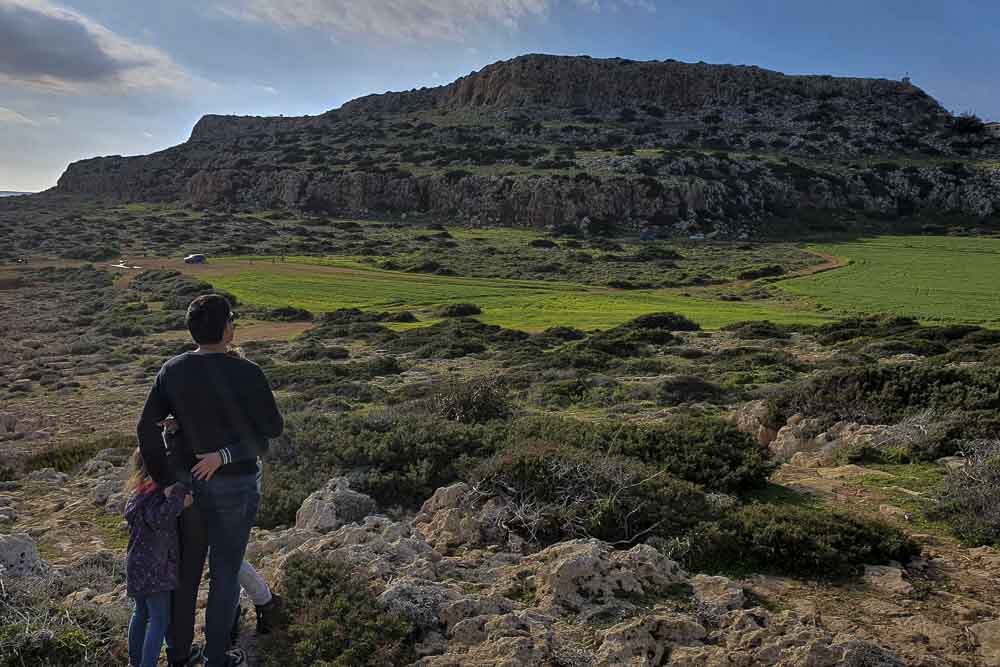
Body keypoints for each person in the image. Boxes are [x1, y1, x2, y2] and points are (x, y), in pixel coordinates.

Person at [137, 294, 283, 667]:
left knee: (186, 577)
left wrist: (167, 480)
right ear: (225, 328)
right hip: (235, 488)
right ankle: (218, 658)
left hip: (187, 490)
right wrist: (225, 455)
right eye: (231, 319)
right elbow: (271, 430)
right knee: (223, 574)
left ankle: (180, 657)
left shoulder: (173, 370)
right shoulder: (247, 372)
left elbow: (145, 429)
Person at [124, 449, 192, 667]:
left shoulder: (137, 493)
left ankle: (134, 662)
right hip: (156, 566)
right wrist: (181, 498)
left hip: (135, 564)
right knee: (159, 620)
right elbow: (159, 518)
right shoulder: (157, 493)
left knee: (140, 613)